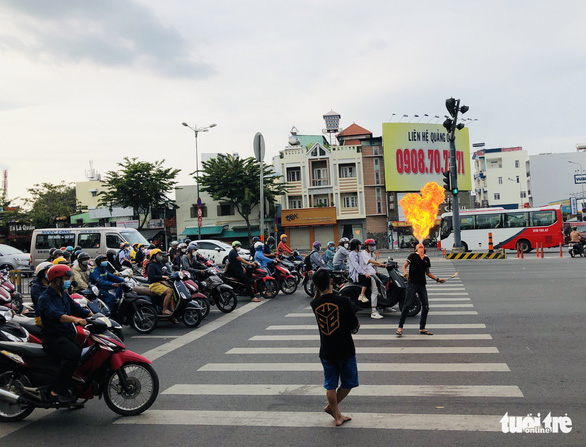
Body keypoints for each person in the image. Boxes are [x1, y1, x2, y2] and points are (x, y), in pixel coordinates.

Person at [310, 268, 359, 426]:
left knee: (330, 384)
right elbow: (354, 326)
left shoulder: (314, 303)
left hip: (327, 350)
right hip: (345, 349)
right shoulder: (343, 301)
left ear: (316, 286)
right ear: (331, 281)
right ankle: (334, 411)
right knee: (348, 383)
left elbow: (320, 297)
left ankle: (336, 414)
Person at [37, 265, 92, 404]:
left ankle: (70, 387)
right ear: (56, 280)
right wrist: (75, 319)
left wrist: (94, 315)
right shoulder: (45, 298)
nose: (68, 280)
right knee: (73, 354)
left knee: (81, 351)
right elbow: (55, 315)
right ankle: (56, 391)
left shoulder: (63, 294)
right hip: (53, 338)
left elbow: (76, 308)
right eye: (66, 278)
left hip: (66, 335)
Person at [396, 243, 446, 336]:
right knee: (407, 305)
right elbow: (404, 266)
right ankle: (400, 327)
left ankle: (422, 328)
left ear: (424, 249)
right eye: (419, 246)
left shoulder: (426, 259)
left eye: (422, 246)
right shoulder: (412, 256)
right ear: (416, 249)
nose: (420, 246)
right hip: (412, 283)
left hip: (422, 284)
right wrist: (405, 273)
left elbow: (428, 272)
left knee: (426, 306)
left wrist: (438, 279)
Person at [359, 239, 386, 319]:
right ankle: (374, 311)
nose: (372, 247)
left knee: (382, 285)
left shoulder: (370, 253)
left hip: (372, 272)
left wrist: (381, 265)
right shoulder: (363, 253)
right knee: (375, 291)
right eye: (371, 245)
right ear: (366, 246)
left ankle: (384, 306)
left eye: (373, 245)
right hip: (368, 274)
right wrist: (380, 264)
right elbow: (371, 261)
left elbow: (373, 263)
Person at [147, 248, 174, 314]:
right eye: (159, 254)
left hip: (161, 282)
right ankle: (164, 310)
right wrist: (162, 276)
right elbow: (151, 276)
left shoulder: (160, 264)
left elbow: (164, 272)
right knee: (169, 292)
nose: (160, 256)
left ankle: (173, 312)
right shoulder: (151, 265)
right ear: (154, 256)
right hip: (154, 284)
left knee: (172, 292)